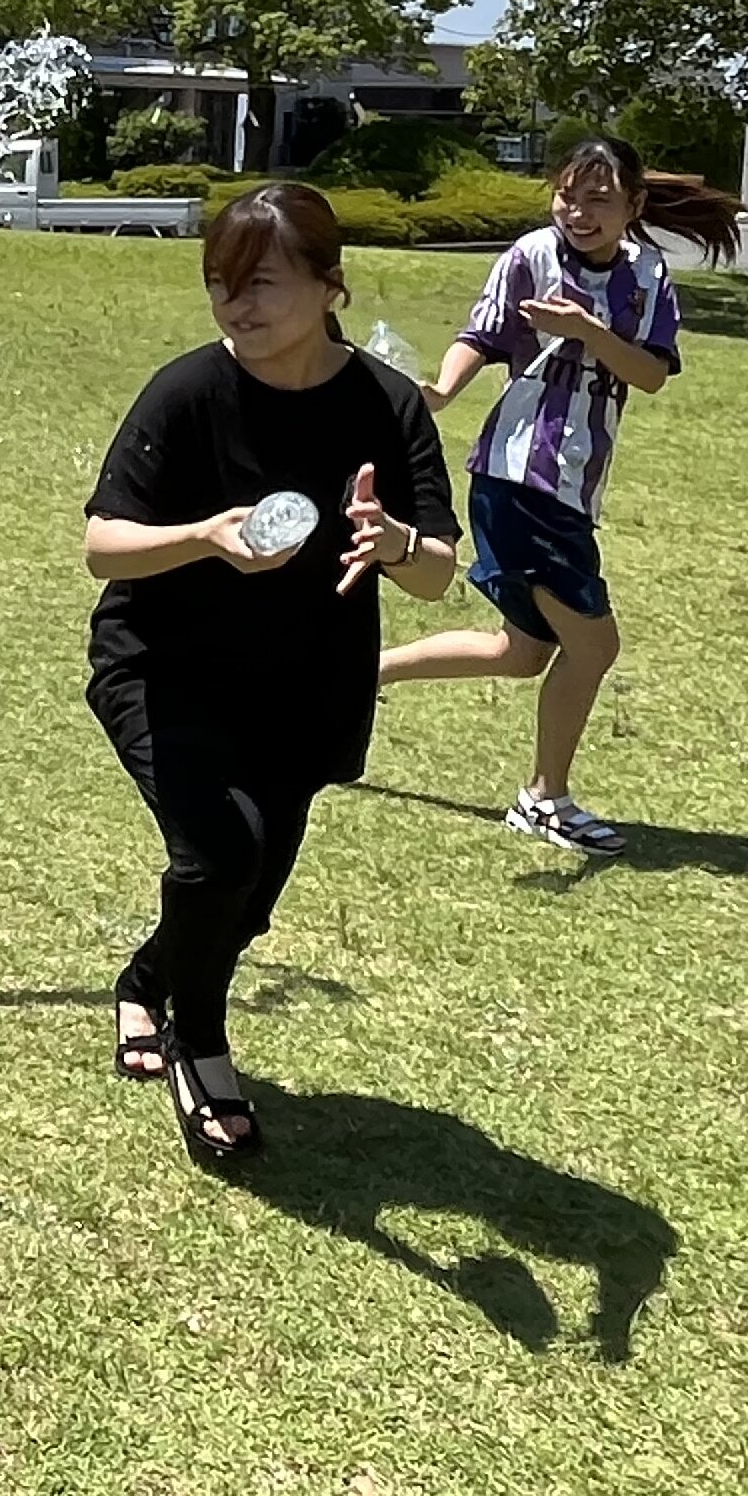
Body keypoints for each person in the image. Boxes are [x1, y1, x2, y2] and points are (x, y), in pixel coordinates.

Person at [84, 183, 461, 1170]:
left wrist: (395, 541)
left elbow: (438, 574)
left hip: (304, 688)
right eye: (220, 286)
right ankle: (199, 1046)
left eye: (261, 285)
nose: (236, 307)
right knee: (220, 855)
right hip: (165, 670)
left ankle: (143, 980)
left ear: (331, 285)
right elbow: (103, 546)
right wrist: (204, 536)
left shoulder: (383, 402)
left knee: (246, 900)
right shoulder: (188, 391)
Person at [377, 133, 730, 856]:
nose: (579, 212)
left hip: (574, 483)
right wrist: (441, 390)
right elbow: (482, 333)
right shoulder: (529, 255)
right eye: (569, 195)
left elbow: (651, 373)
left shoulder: (648, 273)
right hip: (519, 476)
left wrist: (586, 330)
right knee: (594, 646)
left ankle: (353, 675)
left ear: (633, 206)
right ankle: (544, 799)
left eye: (599, 200)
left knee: (522, 651)